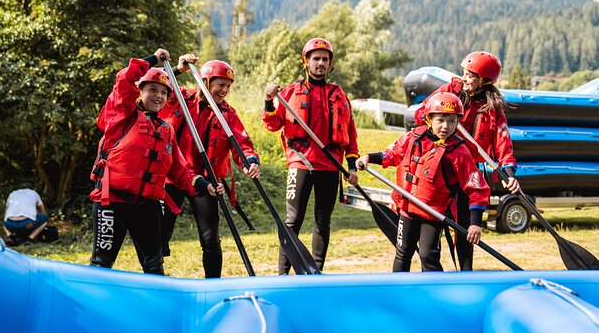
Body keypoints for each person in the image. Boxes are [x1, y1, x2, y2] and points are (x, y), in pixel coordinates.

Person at [89, 49, 222, 275]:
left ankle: (159, 309)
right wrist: (153, 59)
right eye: (152, 90)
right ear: (140, 92)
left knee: (154, 265)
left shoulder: (166, 130)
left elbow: (181, 171)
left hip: (146, 206)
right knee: (102, 264)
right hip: (112, 200)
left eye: (163, 92)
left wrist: (204, 185)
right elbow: (124, 78)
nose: (158, 96)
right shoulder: (121, 114)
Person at [357, 92, 491, 272]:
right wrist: (368, 158)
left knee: (428, 255)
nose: (446, 126)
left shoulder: (459, 151)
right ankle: (399, 291)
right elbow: (392, 154)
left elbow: (477, 188)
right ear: (429, 119)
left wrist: (475, 222)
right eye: (441, 120)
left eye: (452, 121)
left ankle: (433, 294)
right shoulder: (414, 137)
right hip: (407, 209)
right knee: (403, 252)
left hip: (433, 214)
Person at [414, 51, 520, 271]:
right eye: (464, 73)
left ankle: (465, 273)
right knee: (433, 228)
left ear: (484, 81)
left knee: (464, 229)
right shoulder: (450, 90)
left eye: (470, 76)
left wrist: (508, 172)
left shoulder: (493, 107)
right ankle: (431, 273)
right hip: (439, 169)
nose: (464, 78)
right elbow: (420, 116)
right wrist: (436, 112)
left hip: (466, 172)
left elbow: (503, 141)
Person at [262, 37, 359, 274]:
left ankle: (315, 272)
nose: (321, 63)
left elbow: (351, 134)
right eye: (316, 58)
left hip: (330, 165)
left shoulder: (339, 95)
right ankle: (283, 273)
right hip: (301, 162)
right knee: (292, 220)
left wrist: (352, 165)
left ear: (330, 64)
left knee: (322, 221)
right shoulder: (289, 93)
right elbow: (273, 124)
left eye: (325, 59)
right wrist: (268, 101)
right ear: (306, 62)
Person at [158, 55, 260, 278]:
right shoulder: (180, 98)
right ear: (205, 82)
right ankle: (155, 279)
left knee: (210, 239)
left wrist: (250, 161)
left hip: (207, 182)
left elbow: (242, 145)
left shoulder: (228, 115)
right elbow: (159, 81)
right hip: (173, 177)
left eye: (228, 86)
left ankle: (212, 283)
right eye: (220, 85)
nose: (224, 90)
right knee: (159, 236)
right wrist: (180, 68)